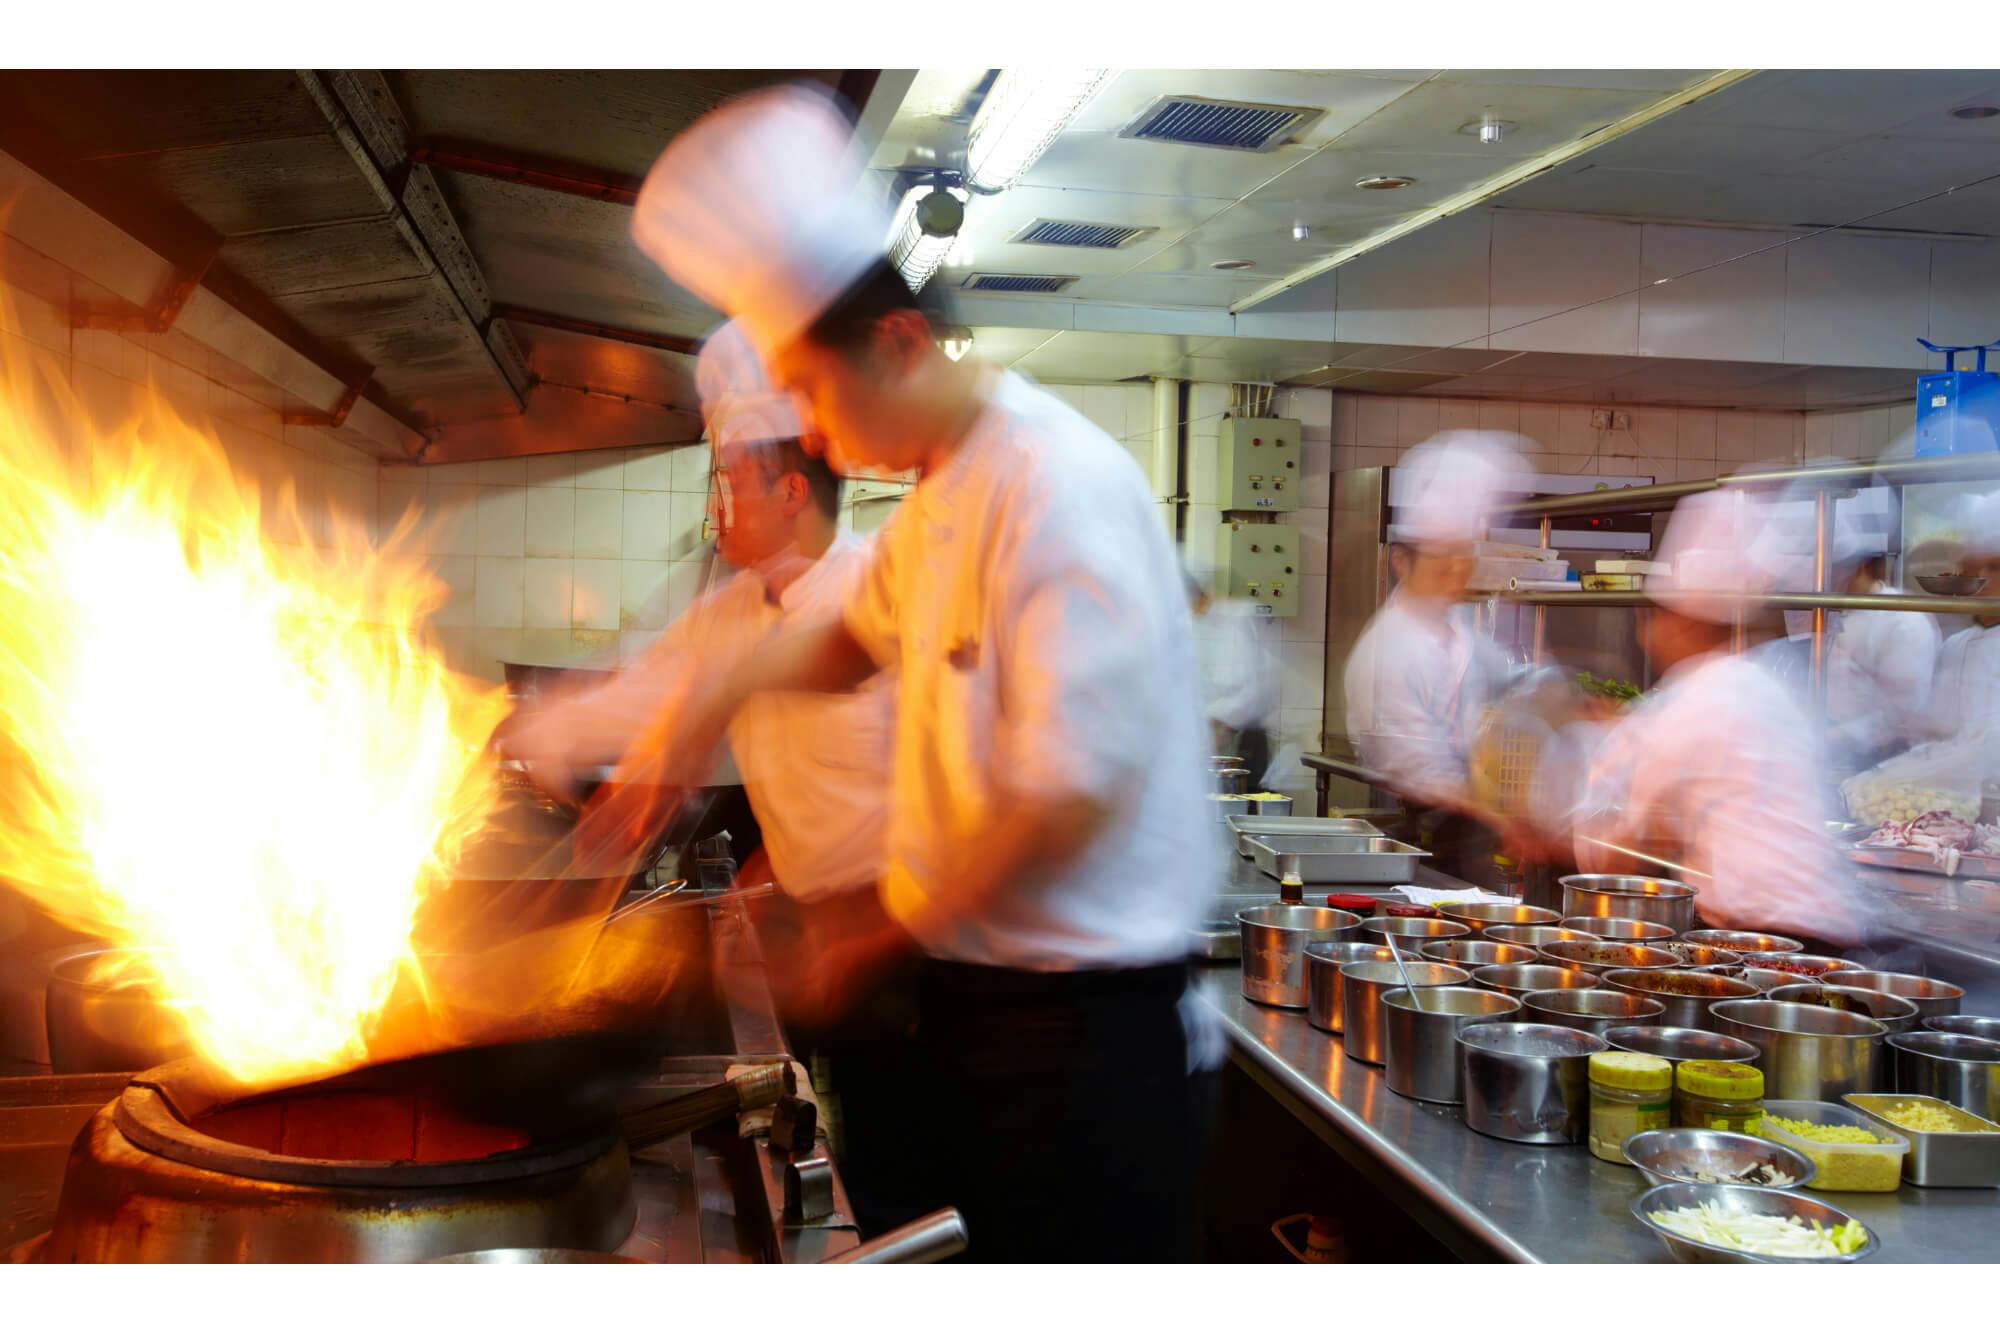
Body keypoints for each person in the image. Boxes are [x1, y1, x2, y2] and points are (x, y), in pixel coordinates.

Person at [612, 83, 1217, 1261]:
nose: (820, 440)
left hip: (1085, 1039)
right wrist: (711, 698)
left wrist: (870, 928)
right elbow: (846, 644)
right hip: (987, 1013)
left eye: (820, 398)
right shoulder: (940, 497)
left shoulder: (1054, 488)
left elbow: (1063, 793)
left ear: (895, 342)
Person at [1569, 491, 1869, 946]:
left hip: (1768, 941)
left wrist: (1556, 833)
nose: (1647, 635)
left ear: (1683, 623)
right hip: (1826, 931)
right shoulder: (1757, 684)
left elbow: (1619, 853)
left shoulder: (1694, 701)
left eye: (1654, 620)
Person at [1341, 431, 1524, 878]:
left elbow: (1510, 680)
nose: (1457, 571)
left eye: (1464, 556)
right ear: (1403, 561)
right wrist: (1505, 817)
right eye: (1443, 559)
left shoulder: (1459, 629)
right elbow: (1418, 769)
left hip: (1467, 830)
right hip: (1421, 836)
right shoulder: (1389, 649)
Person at [1186, 566, 1278, 785]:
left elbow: (1254, 691)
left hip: (1242, 742)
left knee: (1236, 808)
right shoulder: (1194, 625)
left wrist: (1219, 723)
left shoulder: (1238, 618)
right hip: (1212, 738)